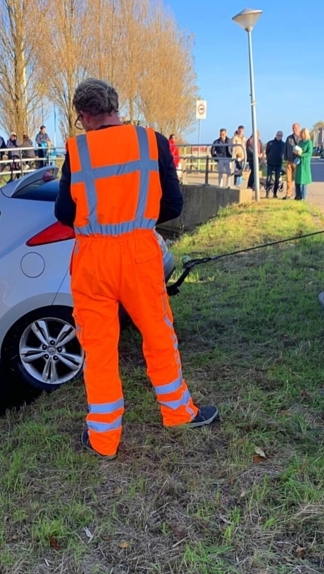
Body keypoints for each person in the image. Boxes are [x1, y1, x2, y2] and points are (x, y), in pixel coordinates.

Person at [54, 78, 219, 460]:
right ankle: (178, 411)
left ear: (84, 116)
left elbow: (63, 213)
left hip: (93, 257)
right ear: (116, 106)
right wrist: (138, 218)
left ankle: (104, 438)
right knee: (158, 334)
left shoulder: (76, 150)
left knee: (98, 347)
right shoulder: (152, 142)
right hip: (140, 251)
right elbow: (174, 205)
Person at [294, 128, 313, 200]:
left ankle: (303, 197)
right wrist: (295, 151)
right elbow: (297, 149)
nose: (303, 134)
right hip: (299, 162)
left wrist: (301, 154)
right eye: (302, 133)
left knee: (303, 180)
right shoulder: (300, 142)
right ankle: (298, 195)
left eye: (304, 133)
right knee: (298, 179)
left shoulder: (309, 142)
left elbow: (309, 153)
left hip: (305, 162)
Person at [265, 131, 285, 198]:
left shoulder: (283, 144)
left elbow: (284, 153)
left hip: (278, 163)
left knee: (277, 179)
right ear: (276, 135)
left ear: (282, 136)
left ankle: (275, 193)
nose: (279, 136)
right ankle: (267, 193)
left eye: (281, 135)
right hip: (270, 163)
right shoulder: (270, 143)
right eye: (278, 135)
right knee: (268, 178)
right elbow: (267, 152)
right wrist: (268, 158)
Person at [284, 123, 301, 199]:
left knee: (297, 179)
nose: (294, 129)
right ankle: (288, 194)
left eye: (296, 128)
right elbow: (285, 149)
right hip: (289, 161)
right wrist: (285, 159)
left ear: (299, 128)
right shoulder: (289, 138)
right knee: (289, 179)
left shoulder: (301, 138)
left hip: (297, 162)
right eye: (293, 128)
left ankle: (297, 195)